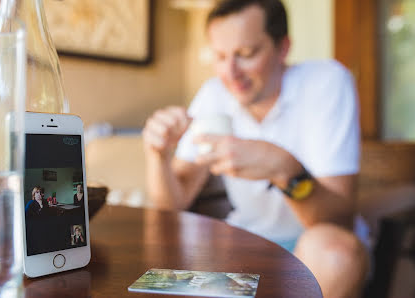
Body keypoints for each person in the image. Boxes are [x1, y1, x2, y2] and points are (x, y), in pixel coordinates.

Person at [142, 0, 369, 297]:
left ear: (283, 47)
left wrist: (283, 168)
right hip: (248, 243)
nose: (230, 72)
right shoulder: (214, 94)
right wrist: (157, 155)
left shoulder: (326, 82)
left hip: (314, 246)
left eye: (246, 54)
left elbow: (338, 219)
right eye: (220, 56)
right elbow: (171, 206)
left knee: (333, 253)